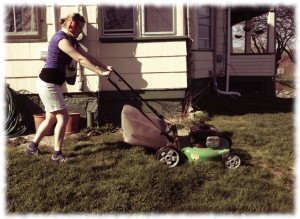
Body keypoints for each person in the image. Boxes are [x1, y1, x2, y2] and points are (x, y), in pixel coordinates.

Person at [24, 13, 113, 162]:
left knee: (51, 117)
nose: (81, 31)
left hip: (53, 83)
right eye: (80, 27)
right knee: (63, 116)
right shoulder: (61, 39)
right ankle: (57, 154)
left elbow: (86, 55)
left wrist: (105, 67)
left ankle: (31, 148)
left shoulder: (71, 40)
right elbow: (80, 59)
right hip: (48, 83)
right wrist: (100, 72)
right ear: (71, 25)